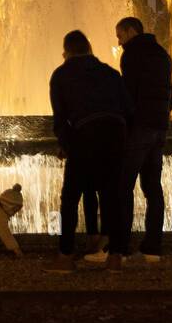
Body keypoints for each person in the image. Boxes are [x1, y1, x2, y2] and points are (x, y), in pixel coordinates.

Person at [45, 30, 132, 273]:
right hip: (115, 134)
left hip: (86, 135)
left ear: (67, 52)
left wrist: (66, 145)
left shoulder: (61, 75)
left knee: (71, 197)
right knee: (111, 196)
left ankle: (65, 256)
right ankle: (115, 256)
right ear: (89, 49)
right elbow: (128, 108)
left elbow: (60, 119)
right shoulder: (111, 73)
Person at [107, 16, 172, 264]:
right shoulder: (163, 55)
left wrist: (122, 123)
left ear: (132, 31)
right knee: (153, 188)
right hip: (159, 128)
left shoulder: (132, 54)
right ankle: (152, 248)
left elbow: (129, 94)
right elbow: (171, 94)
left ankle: (121, 248)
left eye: (120, 35)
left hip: (139, 128)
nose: (119, 41)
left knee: (123, 186)